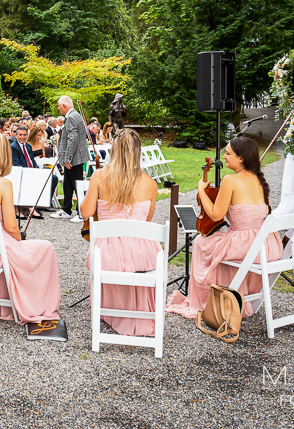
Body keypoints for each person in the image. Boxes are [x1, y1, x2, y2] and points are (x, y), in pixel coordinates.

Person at [166, 135, 282, 319]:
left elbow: (215, 215)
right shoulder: (260, 179)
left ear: (241, 158)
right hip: (268, 245)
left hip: (246, 245)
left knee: (200, 243)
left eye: (228, 153)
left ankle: (208, 301)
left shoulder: (230, 180)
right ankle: (233, 295)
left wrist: (201, 191)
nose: (224, 157)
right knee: (221, 248)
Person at [0, 133, 61, 323]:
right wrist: (20, 239)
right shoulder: (3, 184)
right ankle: (34, 301)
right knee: (46, 248)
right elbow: (11, 226)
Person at [79, 129, 160, 336]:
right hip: (145, 254)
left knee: (107, 256)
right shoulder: (151, 183)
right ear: (137, 152)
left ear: (114, 150)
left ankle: (112, 310)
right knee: (130, 259)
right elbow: (147, 221)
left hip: (108, 254)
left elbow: (86, 213)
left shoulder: (99, 176)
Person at [50, 96, 91, 222]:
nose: (58, 108)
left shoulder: (72, 116)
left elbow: (73, 139)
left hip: (74, 157)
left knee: (77, 184)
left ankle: (81, 212)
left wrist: (68, 158)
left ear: (64, 105)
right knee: (68, 183)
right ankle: (66, 209)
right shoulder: (73, 115)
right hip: (73, 155)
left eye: (58, 105)